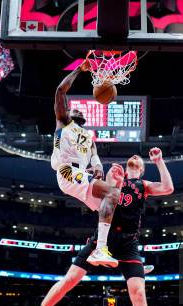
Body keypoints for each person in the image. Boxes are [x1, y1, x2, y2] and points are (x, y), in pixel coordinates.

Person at [15, 148, 174, 306]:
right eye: (131, 160)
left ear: (140, 169)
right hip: (104, 239)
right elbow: (102, 201)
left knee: (139, 294)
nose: (133, 160)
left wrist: (160, 162)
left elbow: (168, 188)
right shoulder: (115, 175)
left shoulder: (144, 185)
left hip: (128, 243)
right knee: (69, 280)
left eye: (138, 162)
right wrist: (114, 181)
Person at [51, 59, 125, 268]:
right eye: (75, 110)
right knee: (113, 193)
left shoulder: (88, 136)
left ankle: (119, 257)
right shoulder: (64, 122)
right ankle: (100, 248)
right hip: (67, 171)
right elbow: (59, 91)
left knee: (116, 210)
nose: (78, 111)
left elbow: (96, 161)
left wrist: (100, 169)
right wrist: (79, 70)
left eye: (80, 112)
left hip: (80, 175)